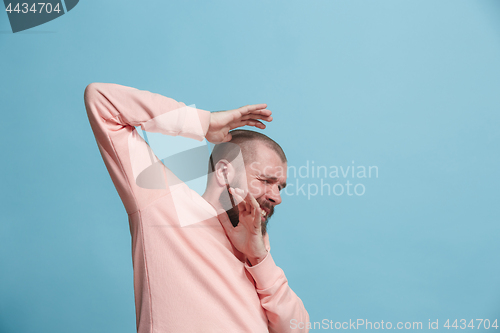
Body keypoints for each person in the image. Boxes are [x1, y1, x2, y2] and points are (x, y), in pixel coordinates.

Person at [84, 82, 309, 333]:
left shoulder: (257, 243)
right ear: (224, 171)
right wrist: (205, 123)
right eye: (266, 181)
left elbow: (297, 329)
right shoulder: (163, 204)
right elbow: (101, 100)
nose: (277, 197)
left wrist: (259, 259)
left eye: (281, 187)